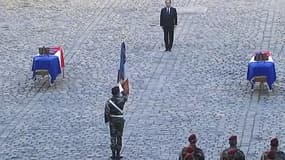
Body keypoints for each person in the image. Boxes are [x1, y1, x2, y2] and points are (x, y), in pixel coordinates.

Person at [104, 85, 128, 159]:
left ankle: (113, 153)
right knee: (119, 136)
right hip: (120, 120)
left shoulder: (109, 102)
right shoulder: (122, 100)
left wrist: (107, 120)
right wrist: (121, 88)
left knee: (113, 137)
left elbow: (106, 112)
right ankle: (118, 153)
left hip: (112, 120)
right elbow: (125, 95)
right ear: (118, 93)